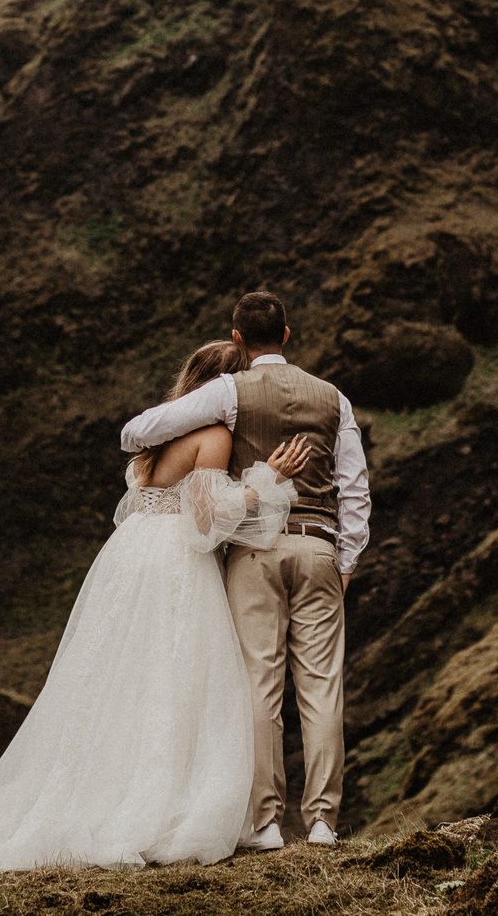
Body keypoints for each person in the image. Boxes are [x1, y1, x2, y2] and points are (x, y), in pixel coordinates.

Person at [0, 340, 315, 890]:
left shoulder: (158, 439)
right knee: (173, 679)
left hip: (129, 557)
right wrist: (265, 481)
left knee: (117, 681)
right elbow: (203, 521)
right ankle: (159, 805)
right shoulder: (215, 434)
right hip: (173, 562)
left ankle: (110, 788)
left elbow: (149, 502)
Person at [115, 290, 370, 849]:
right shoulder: (334, 399)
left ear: (237, 340)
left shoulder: (228, 391)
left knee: (259, 687)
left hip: (254, 554)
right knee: (322, 689)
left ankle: (266, 822)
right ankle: (324, 821)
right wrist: (345, 562)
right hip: (320, 547)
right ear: (286, 334)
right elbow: (355, 489)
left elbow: (135, 433)